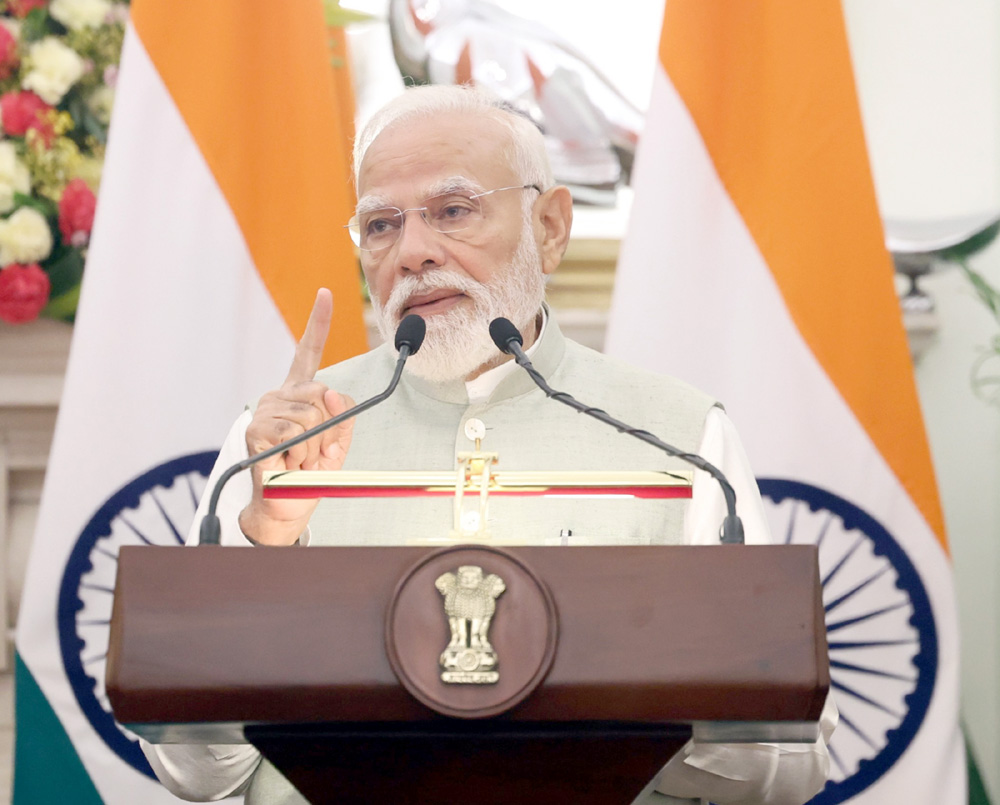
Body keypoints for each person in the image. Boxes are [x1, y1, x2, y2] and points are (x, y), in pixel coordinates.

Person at [142, 84, 836, 804]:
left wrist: (618, 704)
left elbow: (791, 762)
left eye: (453, 210)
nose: (413, 253)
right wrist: (265, 548)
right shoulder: (285, 438)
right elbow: (195, 773)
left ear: (550, 227)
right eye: (381, 225)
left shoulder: (681, 436)